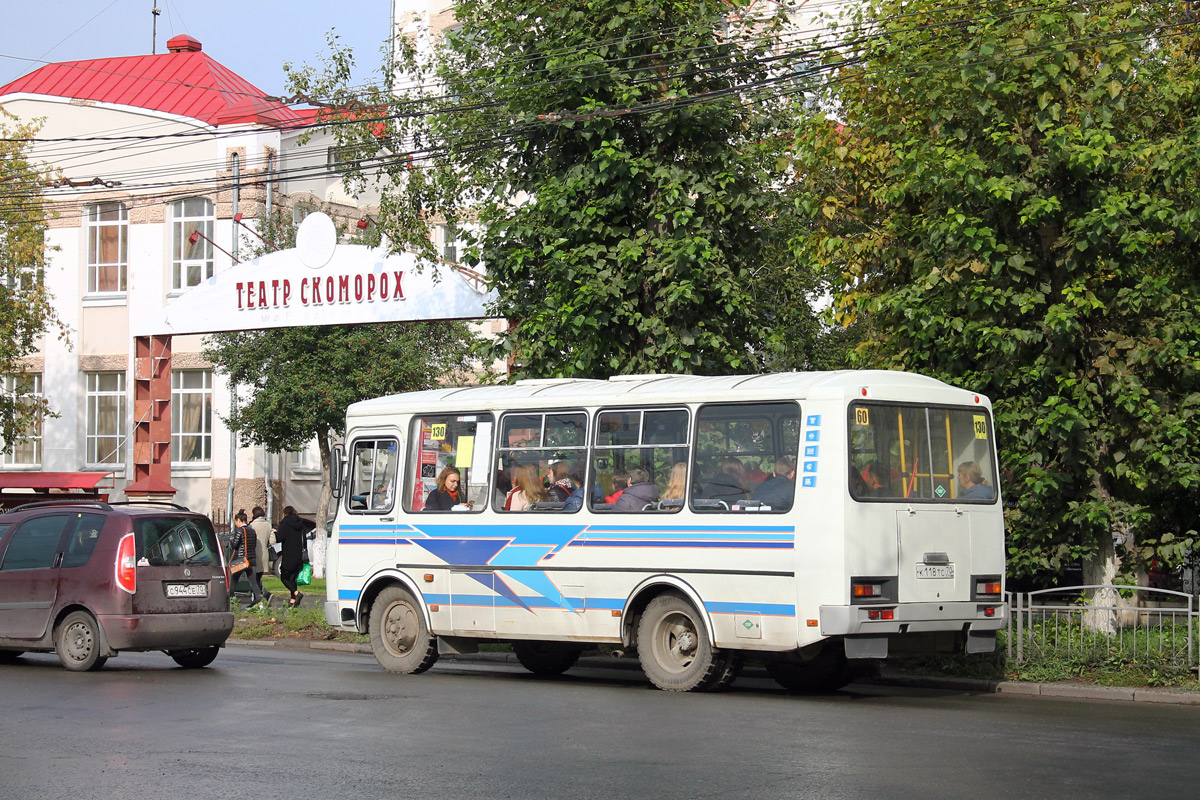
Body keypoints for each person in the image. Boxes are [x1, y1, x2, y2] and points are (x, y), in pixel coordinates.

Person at [230, 510, 265, 607]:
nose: (235, 524)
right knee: (253, 582)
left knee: (234, 580)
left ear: (238, 520)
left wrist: (231, 541)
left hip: (241, 561)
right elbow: (253, 545)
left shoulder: (239, 531)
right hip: (251, 560)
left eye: (235, 522)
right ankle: (260, 601)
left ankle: (230, 600)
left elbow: (235, 545)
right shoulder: (252, 531)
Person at [275, 505, 308, 609]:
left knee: (284, 577)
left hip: (288, 553)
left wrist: (275, 533)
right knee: (292, 577)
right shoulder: (300, 523)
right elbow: (304, 539)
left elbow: (280, 537)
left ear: (285, 513)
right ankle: (293, 600)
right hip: (298, 555)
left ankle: (296, 593)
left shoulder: (284, 523)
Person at [248, 505, 272, 607]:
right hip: (264, 555)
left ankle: (261, 598)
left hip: (254, 555)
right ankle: (262, 597)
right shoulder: (268, 525)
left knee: (253, 579)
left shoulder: (251, 526)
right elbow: (272, 541)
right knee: (258, 578)